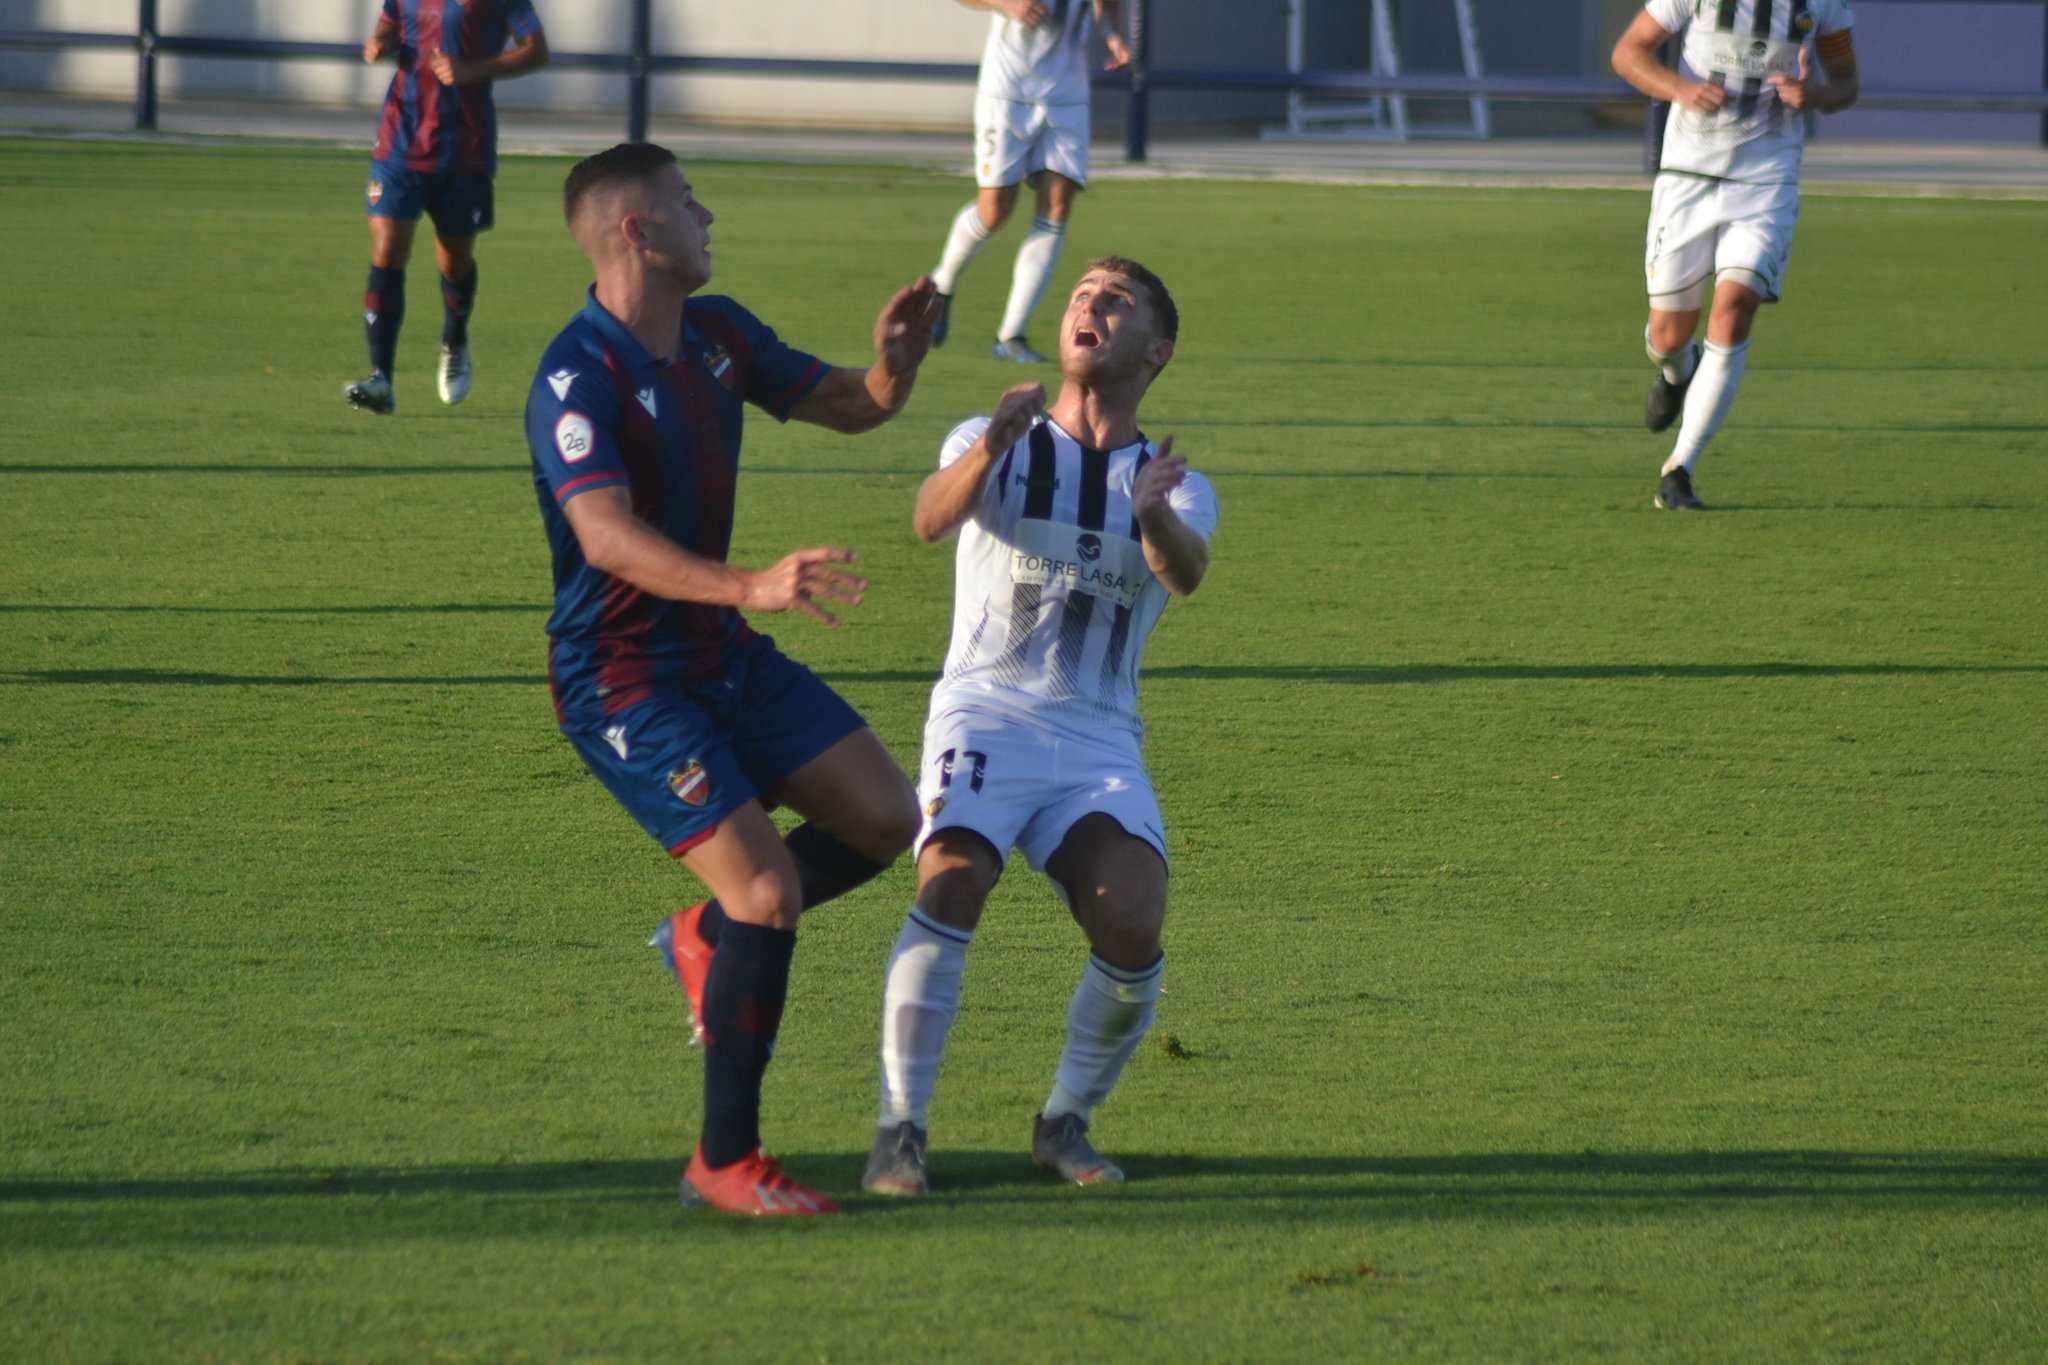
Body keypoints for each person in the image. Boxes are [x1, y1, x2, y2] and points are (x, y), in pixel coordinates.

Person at [524, 142, 939, 1217]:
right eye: (686, 201)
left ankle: (704, 939)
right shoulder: (575, 376)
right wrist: (749, 585)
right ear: (637, 232)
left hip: (719, 654)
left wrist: (894, 365)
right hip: (623, 680)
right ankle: (724, 1160)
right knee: (765, 892)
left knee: (886, 818)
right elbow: (604, 537)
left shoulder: (718, 334)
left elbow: (854, 405)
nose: (706, 216)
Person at [862, 256, 1216, 1196]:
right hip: (986, 710)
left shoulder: (1174, 480)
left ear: (1157, 351)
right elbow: (928, 520)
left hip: (1097, 737)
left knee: (1132, 916)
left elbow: (1185, 573)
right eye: (1081, 294)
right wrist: (989, 448)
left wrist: (1150, 517)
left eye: (1116, 300)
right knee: (951, 880)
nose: (1089, 305)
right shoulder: (994, 437)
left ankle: (1065, 1120)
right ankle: (901, 1129)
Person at [1613, 0, 1859, 510]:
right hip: (1688, 174)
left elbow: (1846, 84)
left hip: (1766, 178)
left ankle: (1679, 470)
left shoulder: (1823, 5)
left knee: (1735, 306)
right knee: (1668, 335)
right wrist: (1680, 89)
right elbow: (1629, 53)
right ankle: (1678, 370)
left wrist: (1813, 94)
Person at [347, 0, 551, 415]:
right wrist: (379, 44)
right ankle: (381, 378)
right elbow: (390, 24)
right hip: (400, 137)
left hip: (464, 147)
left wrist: (473, 70)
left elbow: (536, 50)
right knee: (387, 247)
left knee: (454, 261)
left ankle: (454, 339)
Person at [927, 0, 1132, 364]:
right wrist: (1008, 4)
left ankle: (1011, 336)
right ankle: (941, 286)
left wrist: (1114, 37)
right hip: (1007, 91)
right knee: (995, 211)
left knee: (1057, 207)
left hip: (1066, 94)